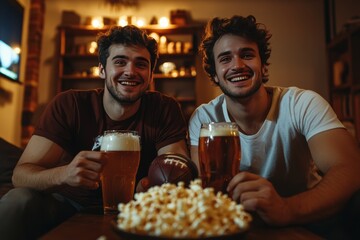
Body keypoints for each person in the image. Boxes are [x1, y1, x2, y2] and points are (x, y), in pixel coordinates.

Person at [0, 25, 189, 239]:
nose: (130, 71)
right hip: (69, 205)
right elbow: (21, 175)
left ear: (151, 74)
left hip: (139, 210)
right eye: (120, 62)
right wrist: (65, 174)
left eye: (141, 64)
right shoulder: (70, 104)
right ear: (101, 69)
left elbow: (177, 167)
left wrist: (154, 185)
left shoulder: (164, 108)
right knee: (19, 199)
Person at [189, 15, 360, 238]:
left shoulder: (302, 103)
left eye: (247, 55)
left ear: (263, 64)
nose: (237, 65)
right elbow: (206, 190)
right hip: (236, 223)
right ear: (214, 74)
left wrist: (286, 209)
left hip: (307, 215)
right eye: (225, 59)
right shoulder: (204, 118)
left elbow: (350, 169)